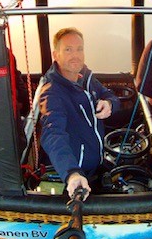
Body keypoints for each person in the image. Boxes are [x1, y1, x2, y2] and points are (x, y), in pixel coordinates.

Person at [39, 27, 119, 200]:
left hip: (96, 166)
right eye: (68, 50)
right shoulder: (52, 93)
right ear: (56, 55)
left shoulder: (86, 77)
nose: (75, 55)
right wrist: (72, 173)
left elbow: (109, 95)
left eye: (79, 49)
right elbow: (53, 134)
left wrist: (109, 104)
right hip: (76, 176)